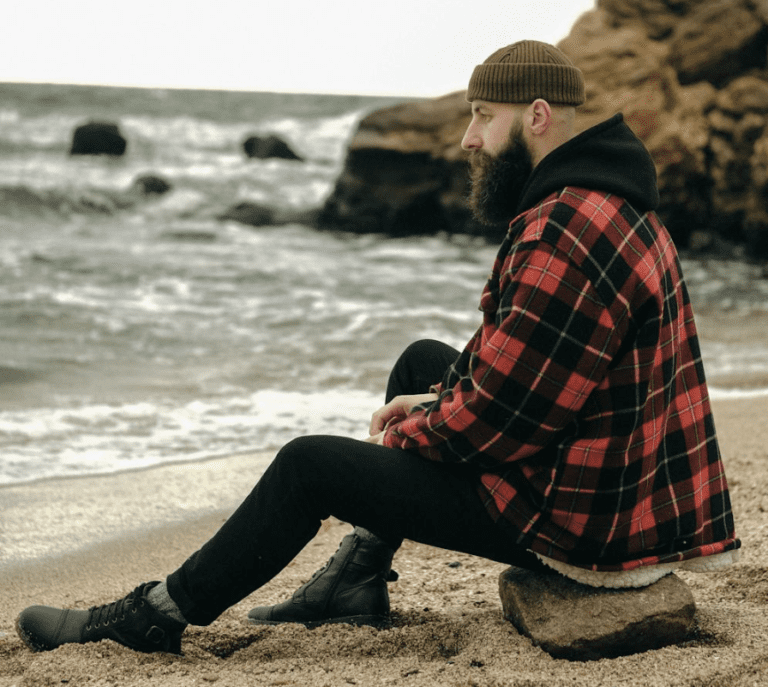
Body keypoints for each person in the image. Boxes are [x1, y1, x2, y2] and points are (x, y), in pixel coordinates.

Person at [16, 40, 740, 656]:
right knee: (424, 360)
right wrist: (433, 398)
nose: (469, 139)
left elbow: (504, 421)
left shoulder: (565, 228)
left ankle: (156, 615)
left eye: (484, 117)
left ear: (537, 118)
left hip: (585, 529)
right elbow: (526, 377)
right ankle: (357, 580)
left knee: (310, 464)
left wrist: (416, 424)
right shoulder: (612, 200)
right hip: (617, 487)